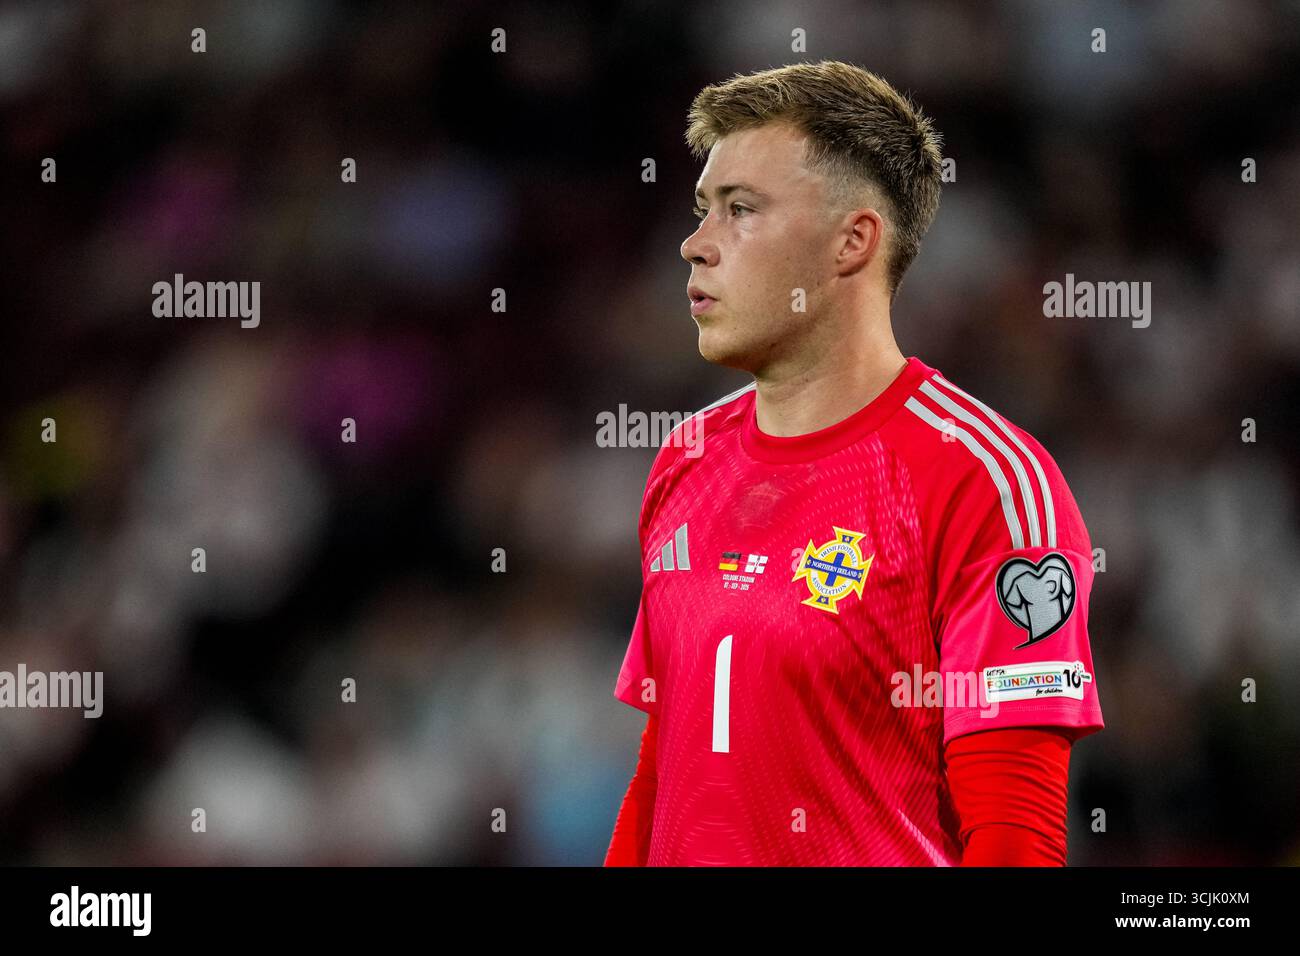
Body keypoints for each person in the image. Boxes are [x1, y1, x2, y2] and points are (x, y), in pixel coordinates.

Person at [605, 61, 1103, 866]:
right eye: (703, 210)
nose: (694, 246)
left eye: (740, 210)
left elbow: (1016, 835)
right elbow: (662, 772)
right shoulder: (684, 460)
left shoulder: (987, 483)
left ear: (853, 241)